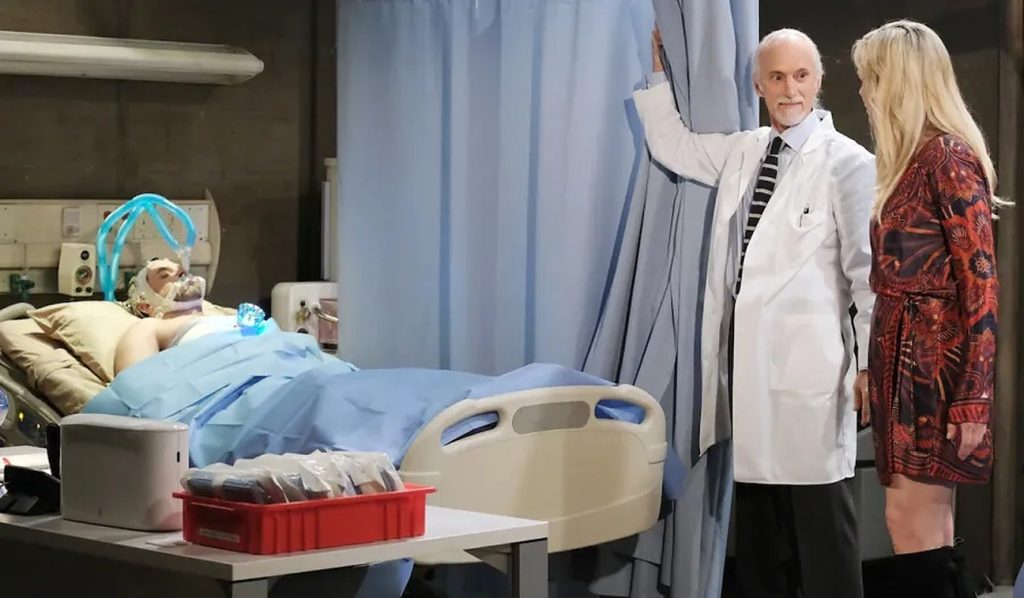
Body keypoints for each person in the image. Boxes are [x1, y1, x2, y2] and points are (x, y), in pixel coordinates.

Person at [633, 28, 876, 597]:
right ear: (758, 84)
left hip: (813, 375)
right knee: (762, 538)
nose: (790, 89)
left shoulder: (847, 163)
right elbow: (675, 146)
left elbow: (869, 278)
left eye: (801, 76)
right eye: (777, 77)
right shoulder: (747, 150)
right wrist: (659, 75)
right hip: (751, 374)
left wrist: (870, 365)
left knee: (824, 532)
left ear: (819, 80)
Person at [853, 20, 1002, 596]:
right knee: (920, 526)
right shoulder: (912, 160)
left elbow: (981, 284)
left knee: (912, 524)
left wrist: (974, 395)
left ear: (899, 81)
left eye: (871, 77)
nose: (864, 90)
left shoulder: (946, 157)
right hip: (903, 360)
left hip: (932, 368)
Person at [114, 258, 234, 374]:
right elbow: (136, 382)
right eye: (164, 275)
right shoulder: (150, 327)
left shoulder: (226, 317)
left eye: (180, 269)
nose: (180, 271)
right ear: (146, 306)